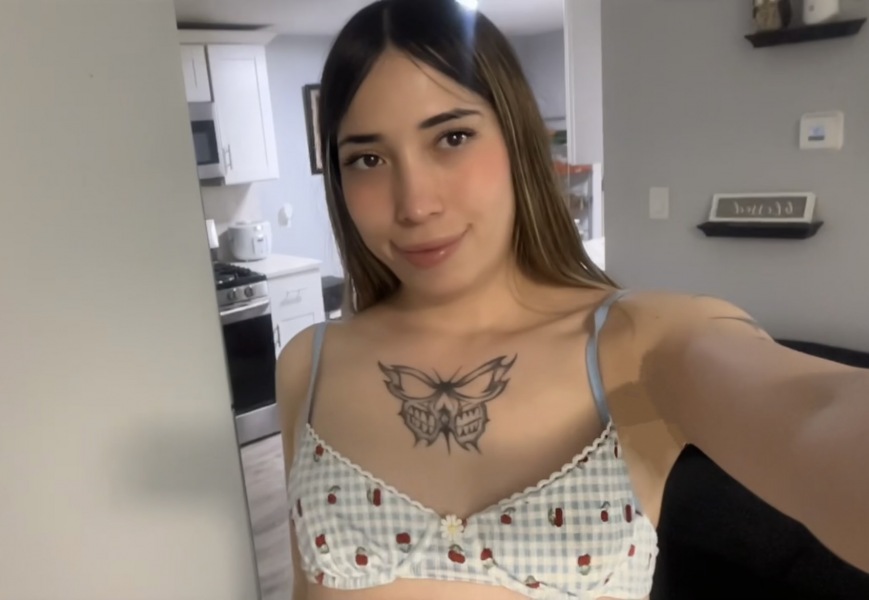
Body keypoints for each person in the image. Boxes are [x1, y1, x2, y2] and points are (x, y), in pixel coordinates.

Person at [275, 0, 869, 598]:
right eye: (368, 159)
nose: (415, 204)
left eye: (452, 137)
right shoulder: (309, 363)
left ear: (518, 141)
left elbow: (814, 413)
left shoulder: (638, 344)